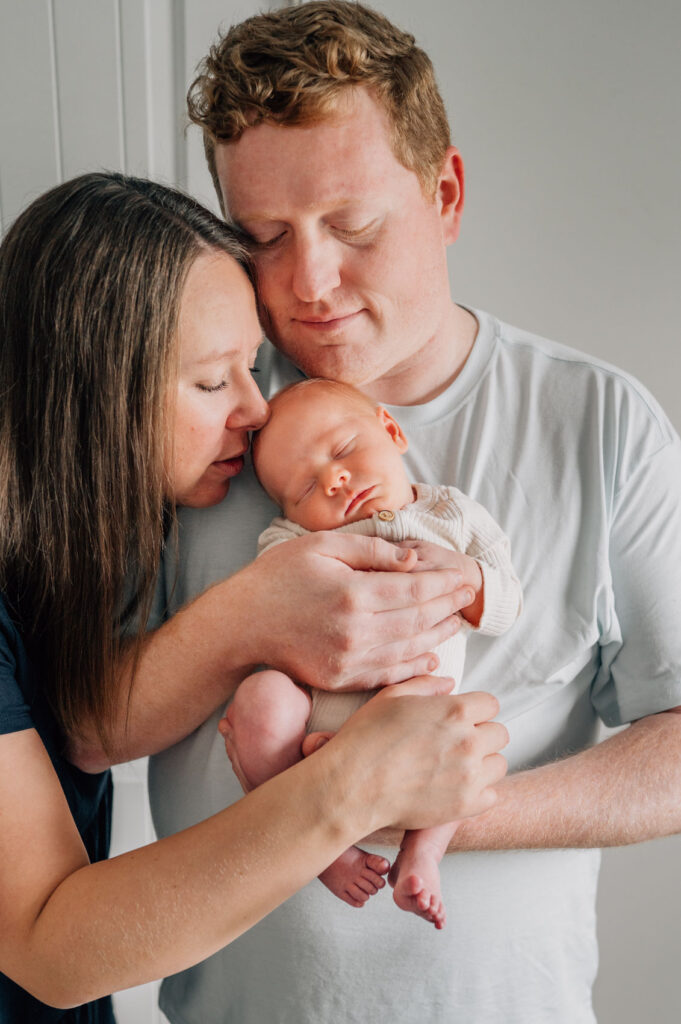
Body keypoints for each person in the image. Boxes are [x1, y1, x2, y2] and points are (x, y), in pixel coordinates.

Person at [139, 3, 681, 1022]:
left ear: (445, 195)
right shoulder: (199, 416)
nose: (309, 283)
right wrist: (247, 625)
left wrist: (421, 807)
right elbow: (77, 725)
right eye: (265, 237)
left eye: (353, 227)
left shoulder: (600, 424)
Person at [0, 171, 510, 1023]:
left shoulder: (67, 561)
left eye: (250, 368)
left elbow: (84, 738)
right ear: (87, 392)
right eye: (211, 382)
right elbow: (50, 948)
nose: (254, 409)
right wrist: (352, 785)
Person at [224, 377, 523, 929]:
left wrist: (471, 578)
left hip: (420, 721)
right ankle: (324, 852)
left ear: (391, 429)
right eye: (304, 489)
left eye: (343, 450)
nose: (333, 479)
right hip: (315, 729)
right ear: (289, 513)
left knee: (472, 741)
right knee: (259, 700)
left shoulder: (452, 515)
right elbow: (270, 601)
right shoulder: (289, 541)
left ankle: (422, 855)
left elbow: (508, 604)